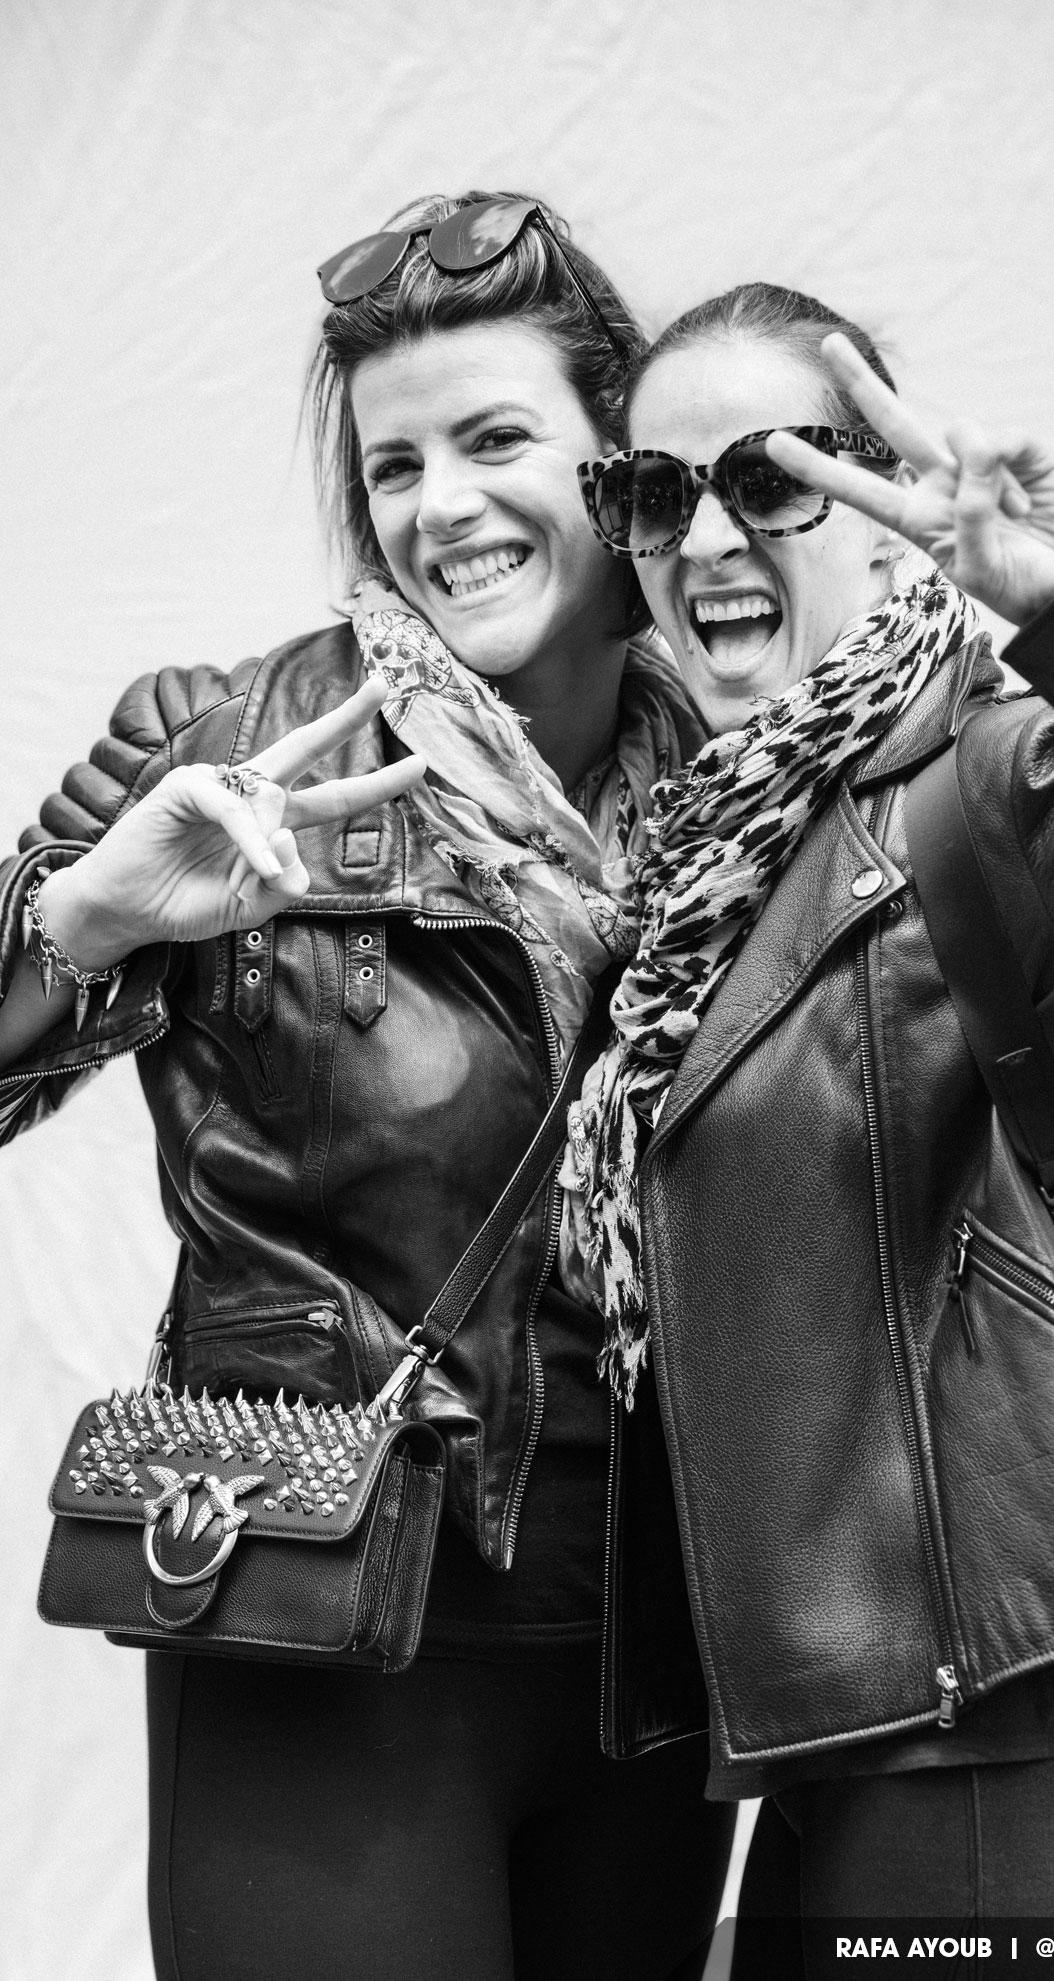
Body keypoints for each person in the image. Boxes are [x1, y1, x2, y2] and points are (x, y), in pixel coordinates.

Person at [0, 193, 731, 1981]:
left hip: (660, 1662)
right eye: (394, 464)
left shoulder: (753, 784)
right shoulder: (231, 742)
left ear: (622, 465)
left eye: (494, 440)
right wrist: (90, 922)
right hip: (318, 1634)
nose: (439, 507)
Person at [562, 282, 1054, 1968]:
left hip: (1021, 1729)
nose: (706, 537)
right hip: (856, 1741)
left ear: (878, 506)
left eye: (769, 478)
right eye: (656, 493)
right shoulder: (714, 870)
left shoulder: (1004, 770)